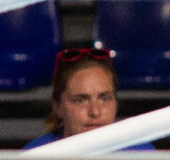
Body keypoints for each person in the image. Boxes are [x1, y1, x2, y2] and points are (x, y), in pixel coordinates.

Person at [24, 47, 154, 150]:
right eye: (80, 100)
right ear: (58, 106)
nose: (95, 112)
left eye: (104, 98)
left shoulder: (141, 156)